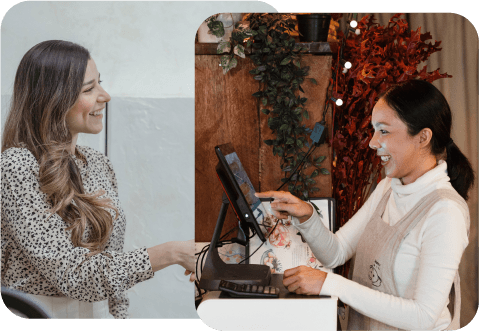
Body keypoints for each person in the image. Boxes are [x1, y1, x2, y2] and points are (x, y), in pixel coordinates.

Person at [256, 79, 474, 330]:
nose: (372, 142)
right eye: (374, 130)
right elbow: (335, 252)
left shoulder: (446, 212)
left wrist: (329, 284)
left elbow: (423, 317)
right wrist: (307, 217)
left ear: (423, 137)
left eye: (384, 131)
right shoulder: (387, 190)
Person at [0, 40, 195, 319]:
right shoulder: (16, 167)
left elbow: (110, 264)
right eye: (89, 89)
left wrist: (119, 317)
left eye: (99, 84)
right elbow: (72, 275)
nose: (105, 96)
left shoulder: (98, 163)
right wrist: (172, 253)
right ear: (53, 98)